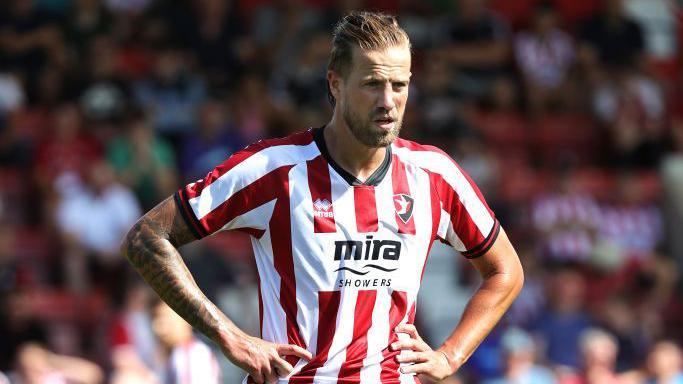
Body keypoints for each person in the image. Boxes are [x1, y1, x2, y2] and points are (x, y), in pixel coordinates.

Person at [121, 11, 524, 384]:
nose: (388, 101)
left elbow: (506, 271)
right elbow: (147, 238)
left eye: (399, 85)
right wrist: (230, 336)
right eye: (371, 84)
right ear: (335, 83)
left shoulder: (434, 175)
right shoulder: (274, 170)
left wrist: (451, 356)